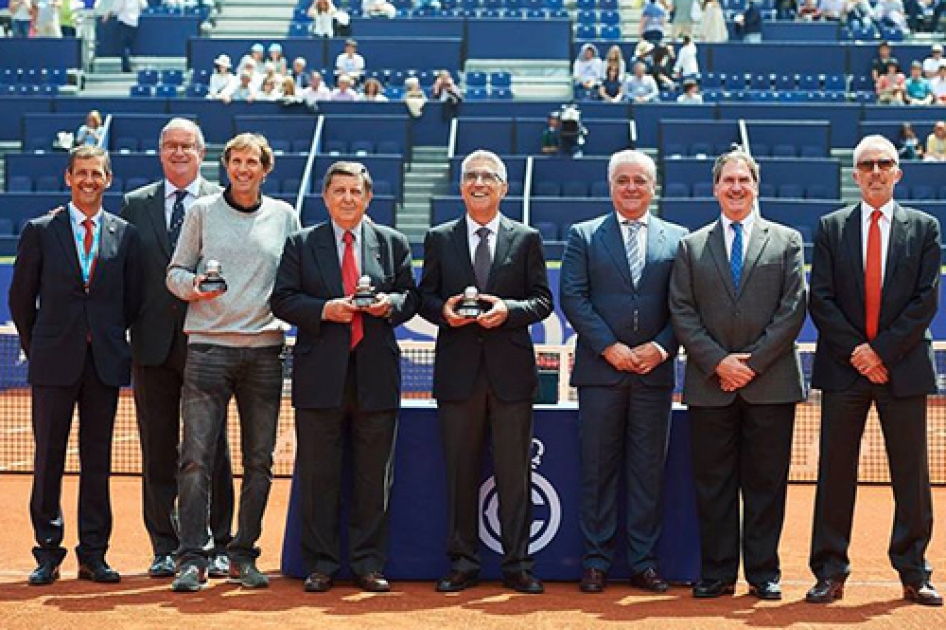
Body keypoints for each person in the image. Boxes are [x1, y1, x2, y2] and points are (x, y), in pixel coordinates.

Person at [806, 135, 942, 607]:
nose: (876, 171)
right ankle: (829, 569)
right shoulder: (830, 227)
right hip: (845, 370)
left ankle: (914, 570)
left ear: (898, 173)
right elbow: (819, 299)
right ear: (856, 174)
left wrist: (880, 352)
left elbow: (925, 301)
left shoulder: (924, 228)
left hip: (902, 369)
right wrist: (860, 354)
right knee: (835, 472)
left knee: (912, 474)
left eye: (885, 163)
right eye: (867, 165)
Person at [270, 162, 419, 594]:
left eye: (356, 191)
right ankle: (321, 563)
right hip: (321, 376)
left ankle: (369, 564)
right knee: (319, 476)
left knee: (374, 478)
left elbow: (411, 297)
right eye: (340, 191)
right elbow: (282, 299)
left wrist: (388, 304)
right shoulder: (301, 243)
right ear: (326, 196)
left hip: (376, 375)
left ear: (368, 197)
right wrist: (324, 310)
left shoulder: (392, 243)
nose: (348, 198)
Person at [669, 148, 807, 601]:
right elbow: (682, 313)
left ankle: (763, 572)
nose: (735, 188)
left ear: (756, 186)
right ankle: (717, 572)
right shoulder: (691, 246)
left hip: (771, 384)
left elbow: (792, 311)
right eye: (727, 181)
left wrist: (752, 364)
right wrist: (719, 363)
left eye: (743, 180)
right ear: (714, 188)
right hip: (711, 386)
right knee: (713, 485)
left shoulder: (786, 241)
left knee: (766, 484)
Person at [166, 133, 301, 592]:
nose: (243, 169)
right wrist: (194, 287)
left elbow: (295, 280)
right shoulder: (200, 211)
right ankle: (191, 557)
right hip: (206, 349)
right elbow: (175, 271)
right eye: (236, 161)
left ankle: (243, 553)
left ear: (265, 169)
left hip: (264, 351)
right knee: (195, 460)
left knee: (260, 461)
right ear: (226, 166)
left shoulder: (284, 216)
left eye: (252, 162)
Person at [419, 150, 553, 595]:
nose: (479, 183)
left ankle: (517, 564)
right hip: (458, 375)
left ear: (504, 187)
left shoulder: (527, 237)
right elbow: (426, 297)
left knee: (515, 473)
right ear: (461, 187)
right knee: (460, 473)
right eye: (471, 176)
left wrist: (507, 311)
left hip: (511, 376)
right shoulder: (439, 238)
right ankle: (462, 562)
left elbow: (541, 301)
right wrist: (446, 312)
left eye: (489, 177)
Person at [8, 145, 141, 586]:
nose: (89, 180)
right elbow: (21, 300)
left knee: (98, 461)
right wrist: (40, 346)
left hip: (103, 364)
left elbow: (133, 300)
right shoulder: (41, 230)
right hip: (53, 364)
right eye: (81, 173)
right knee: (48, 458)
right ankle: (48, 552)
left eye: (97, 174)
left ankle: (93, 554)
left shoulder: (125, 234)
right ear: (68, 178)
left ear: (108, 179)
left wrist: (108, 340)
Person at [560, 150, 688, 595]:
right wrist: (610, 348)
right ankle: (595, 562)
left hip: (654, 375)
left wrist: (660, 347)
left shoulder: (678, 238)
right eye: (623, 181)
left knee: (648, 472)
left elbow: (684, 306)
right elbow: (573, 298)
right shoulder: (584, 235)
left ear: (654, 187)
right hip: (601, 373)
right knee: (597, 471)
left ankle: (643, 562)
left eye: (640, 181)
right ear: (610, 186)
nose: (631, 188)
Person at [120, 118, 234, 581]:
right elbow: (126, 277)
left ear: (202, 151)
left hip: (208, 343)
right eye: (170, 145)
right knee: (158, 447)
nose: (179, 152)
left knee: (214, 449)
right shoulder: (135, 204)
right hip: (151, 348)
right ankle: (164, 546)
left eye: (187, 145)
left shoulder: (221, 204)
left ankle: (221, 544)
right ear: (160, 152)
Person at [101, 0, 144, 73]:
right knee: (127, 46)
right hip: (134, 24)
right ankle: (127, 66)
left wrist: (108, 14)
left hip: (124, 23)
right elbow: (143, 5)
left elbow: (117, 7)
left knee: (123, 46)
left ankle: (126, 67)